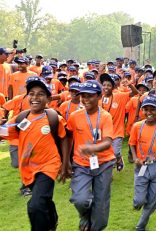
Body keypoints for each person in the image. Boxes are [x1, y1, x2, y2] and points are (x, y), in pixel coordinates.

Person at [1, 76, 69, 231]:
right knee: (43, 201)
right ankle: (52, 222)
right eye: (31, 93)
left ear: (48, 98)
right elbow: (6, 133)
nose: (35, 98)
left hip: (48, 166)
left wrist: (65, 164)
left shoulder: (53, 118)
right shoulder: (21, 117)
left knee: (34, 205)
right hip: (28, 169)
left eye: (40, 94)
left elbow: (64, 138)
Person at [66, 80, 115, 231]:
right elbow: (68, 137)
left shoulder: (105, 117)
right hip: (81, 165)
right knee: (80, 200)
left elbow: (107, 142)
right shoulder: (74, 116)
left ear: (99, 96)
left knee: (100, 208)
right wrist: (66, 161)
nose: (85, 99)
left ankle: (94, 226)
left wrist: (91, 148)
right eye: (83, 96)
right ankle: (84, 216)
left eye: (90, 96)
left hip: (104, 164)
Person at [129, 95, 156, 231]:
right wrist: (135, 157)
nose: (149, 113)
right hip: (142, 165)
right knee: (140, 200)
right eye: (146, 109)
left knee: (152, 199)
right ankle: (139, 203)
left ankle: (141, 226)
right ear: (142, 110)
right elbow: (132, 143)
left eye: (152, 109)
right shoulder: (137, 126)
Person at [100, 73, 138, 171]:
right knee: (106, 153)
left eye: (108, 85)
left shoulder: (119, 96)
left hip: (117, 131)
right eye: (104, 85)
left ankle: (119, 158)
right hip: (105, 132)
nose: (106, 87)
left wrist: (129, 84)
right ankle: (109, 172)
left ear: (113, 87)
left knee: (116, 152)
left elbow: (134, 93)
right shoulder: (99, 98)